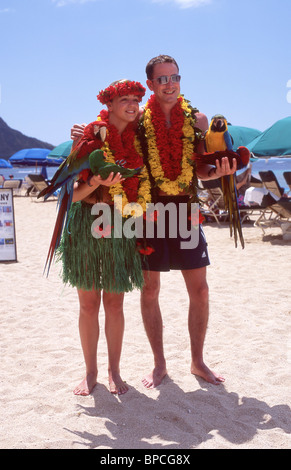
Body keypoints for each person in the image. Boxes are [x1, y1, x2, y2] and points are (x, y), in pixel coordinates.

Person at [71, 55, 237, 389]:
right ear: (150, 84)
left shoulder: (198, 119)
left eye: (175, 77)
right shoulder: (139, 120)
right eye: (162, 79)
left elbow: (201, 167)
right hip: (148, 210)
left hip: (186, 208)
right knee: (150, 289)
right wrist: (83, 132)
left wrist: (217, 174)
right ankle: (159, 365)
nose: (170, 83)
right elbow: (108, 132)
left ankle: (197, 361)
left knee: (200, 290)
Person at [58, 79, 150, 396]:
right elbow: (73, 193)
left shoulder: (139, 141)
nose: (132, 103)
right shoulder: (87, 137)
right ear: (109, 105)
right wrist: (96, 180)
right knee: (87, 304)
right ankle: (90, 372)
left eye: (136, 99)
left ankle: (113, 370)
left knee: (114, 302)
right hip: (86, 222)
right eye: (124, 98)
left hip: (120, 224)